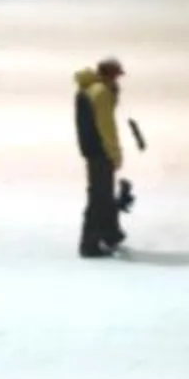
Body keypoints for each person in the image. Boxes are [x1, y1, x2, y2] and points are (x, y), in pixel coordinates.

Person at [74, 58, 129, 260]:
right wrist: (114, 152)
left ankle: (110, 234)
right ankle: (90, 244)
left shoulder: (88, 88)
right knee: (99, 197)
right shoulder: (101, 92)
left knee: (102, 194)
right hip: (100, 151)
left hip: (91, 148)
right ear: (111, 74)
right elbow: (107, 126)